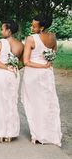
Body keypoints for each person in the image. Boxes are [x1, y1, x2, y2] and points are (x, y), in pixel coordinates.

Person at [21, 15, 62, 146]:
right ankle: (51, 134)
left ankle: (38, 135)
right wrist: (46, 64)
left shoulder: (31, 39)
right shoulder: (53, 37)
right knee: (48, 103)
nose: (31, 27)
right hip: (47, 74)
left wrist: (41, 65)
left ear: (42, 27)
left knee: (33, 104)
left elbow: (26, 61)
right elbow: (53, 54)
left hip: (33, 74)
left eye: (34, 26)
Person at [0, 20, 24, 143]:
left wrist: (6, 67)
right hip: (13, 75)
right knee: (11, 102)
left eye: (2, 29)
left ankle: (0, 134)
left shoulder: (0, 43)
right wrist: (13, 68)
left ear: (8, 30)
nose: (1, 31)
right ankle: (10, 133)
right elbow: (23, 62)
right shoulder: (20, 44)